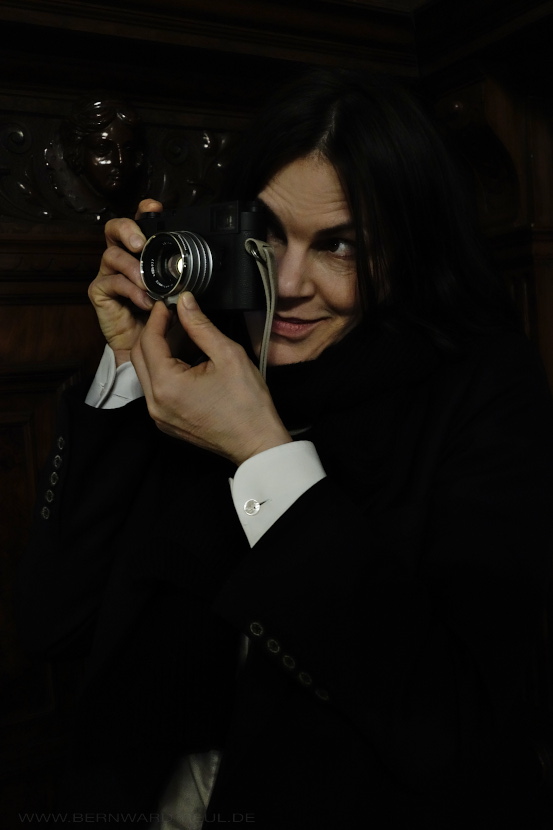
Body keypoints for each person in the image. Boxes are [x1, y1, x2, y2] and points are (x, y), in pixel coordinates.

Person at [17, 67, 553, 829]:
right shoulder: (198, 362)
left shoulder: (481, 387)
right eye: (265, 236)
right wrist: (127, 369)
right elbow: (52, 624)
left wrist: (263, 456)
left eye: (340, 246)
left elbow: (454, 726)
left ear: (407, 250)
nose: (291, 282)